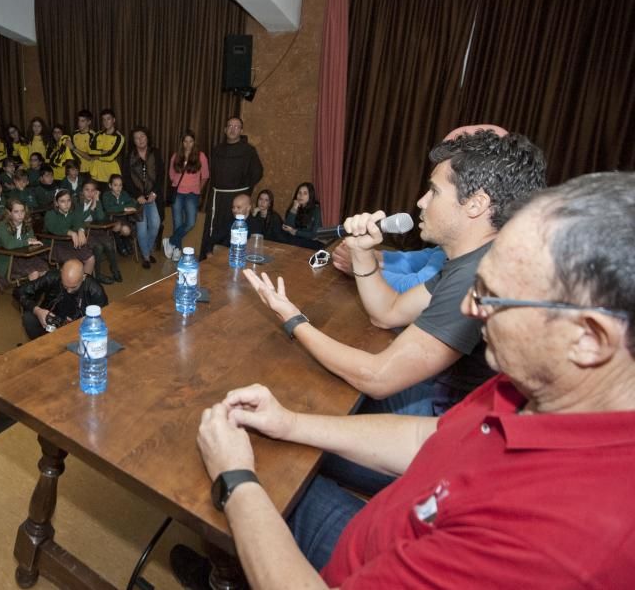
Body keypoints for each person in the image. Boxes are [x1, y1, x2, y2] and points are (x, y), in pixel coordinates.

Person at [183, 171, 635, 589]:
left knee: (233, 474)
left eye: (492, 298)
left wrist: (235, 480)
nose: (469, 310)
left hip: (355, 568)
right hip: (388, 524)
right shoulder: (538, 383)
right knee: (271, 447)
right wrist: (290, 422)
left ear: (589, 339)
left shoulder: (563, 539)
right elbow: (431, 436)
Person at [245, 128, 547, 493]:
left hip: (446, 443)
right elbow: (387, 312)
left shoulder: (480, 273)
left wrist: (293, 318)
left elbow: (379, 376)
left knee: (280, 449)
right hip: (442, 409)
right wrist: (360, 251)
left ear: (476, 203)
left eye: (434, 191)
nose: (420, 202)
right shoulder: (471, 259)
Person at [200, 117, 263, 257]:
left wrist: (245, 191)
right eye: (230, 126)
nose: (233, 129)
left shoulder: (249, 150)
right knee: (214, 229)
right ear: (225, 130)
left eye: (236, 126)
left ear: (241, 130)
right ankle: (208, 257)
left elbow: (257, 172)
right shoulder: (216, 150)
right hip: (218, 198)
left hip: (237, 197)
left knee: (233, 229)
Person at [17, 259, 108, 340]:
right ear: (61, 273)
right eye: (65, 286)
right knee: (29, 317)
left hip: (78, 331)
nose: (68, 291)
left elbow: (105, 318)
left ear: (83, 278)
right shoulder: (52, 277)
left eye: (73, 287)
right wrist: (37, 311)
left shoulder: (95, 290)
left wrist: (82, 323)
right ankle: (39, 345)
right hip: (51, 322)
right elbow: (19, 291)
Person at [123, 126, 164, 269]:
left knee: (155, 224)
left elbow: (160, 175)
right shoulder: (129, 156)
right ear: (133, 141)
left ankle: (146, 249)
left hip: (152, 196)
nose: (140, 139)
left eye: (142, 136)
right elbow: (126, 179)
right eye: (136, 137)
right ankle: (146, 256)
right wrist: (137, 195)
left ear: (147, 137)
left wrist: (154, 193)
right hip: (137, 198)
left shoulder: (155, 153)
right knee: (141, 229)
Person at [332, 242, 447, 294]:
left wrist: (361, 268)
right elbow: (413, 262)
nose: (421, 203)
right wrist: (370, 255)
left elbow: (416, 289)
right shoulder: (446, 248)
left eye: (435, 192)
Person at [164, 130, 209, 259]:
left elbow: (205, 176)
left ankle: (171, 241)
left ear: (194, 142)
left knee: (190, 222)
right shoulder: (176, 156)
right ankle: (177, 249)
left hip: (192, 194)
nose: (188, 144)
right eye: (185, 141)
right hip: (177, 193)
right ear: (182, 142)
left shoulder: (201, 156)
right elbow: (171, 174)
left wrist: (198, 189)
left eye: (190, 141)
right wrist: (178, 183)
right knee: (177, 222)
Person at [44, 189, 96, 276]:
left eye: (68, 200)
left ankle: (85, 283)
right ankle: (72, 284)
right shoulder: (50, 214)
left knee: (90, 258)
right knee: (74, 263)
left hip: (69, 243)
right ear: (56, 203)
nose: (66, 204)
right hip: (54, 245)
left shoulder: (72, 212)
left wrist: (80, 230)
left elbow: (79, 222)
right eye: (62, 201)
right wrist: (71, 232)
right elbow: (54, 228)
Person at [79, 180, 122, 284]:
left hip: (94, 230)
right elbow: (79, 220)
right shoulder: (76, 202)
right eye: (87, 190)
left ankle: (115, 269)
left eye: (93, 190)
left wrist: (96, 200)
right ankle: (97, 275)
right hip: (82, 232)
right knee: (98, 247)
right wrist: (91, 208)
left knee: (108, 243)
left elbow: (101, 217)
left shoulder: (95, 200)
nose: (90, 193)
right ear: (82, 191)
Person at [0, 199, 48, 282]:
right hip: (8, 260)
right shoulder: (3, 225)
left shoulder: (26, 223)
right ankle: (26, 293)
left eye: (22, 211)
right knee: (34, 272)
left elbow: (31, 238)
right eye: (16, 212)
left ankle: (32, 291)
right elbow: (9, 244)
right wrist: (27, 242)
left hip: (24, 257)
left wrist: (31, 241)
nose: (20, 215)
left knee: (44, 269)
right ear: (9, 213)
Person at [71, 109, 124, 186]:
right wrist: (102, 152)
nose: (106, 122)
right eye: (103, 119)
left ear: (114, 120)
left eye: (108, 119)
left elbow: (111, 156)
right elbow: (90, 151)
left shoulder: (119, 137)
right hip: (96, 174)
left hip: (111, 174)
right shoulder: (98, 134)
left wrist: (97, 157)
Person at [202, 193, 263, 258]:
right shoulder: (229, 221)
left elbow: (254, 250)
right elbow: (212, 239)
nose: (235, 210)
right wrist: (209, 253)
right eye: (233, 207)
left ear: (248, 208)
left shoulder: (256, 225)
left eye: (238, 207)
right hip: (225, 257)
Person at [281, 182, 323, 250]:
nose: (301, 196)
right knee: (283, 238)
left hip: (311, 242)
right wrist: (294, 208)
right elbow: (287, 227)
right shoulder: (295, 206)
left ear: (310, 195)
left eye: (305, 193)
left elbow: (314, 234)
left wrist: (295, 232)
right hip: (296, 240)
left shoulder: (316, 210)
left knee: (290, 242)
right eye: (299, 193)